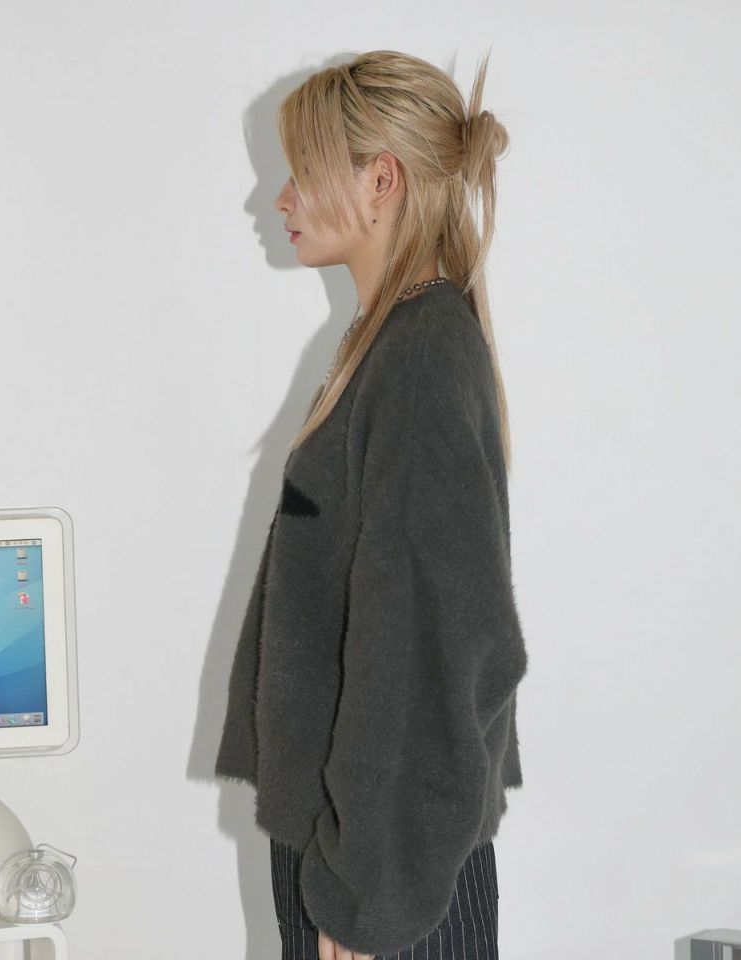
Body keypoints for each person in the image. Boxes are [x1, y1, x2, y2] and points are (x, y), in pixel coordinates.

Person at [215, 48, 529, 960]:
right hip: (356, 848)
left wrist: (367, 892)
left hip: (382, 873)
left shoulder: (419, 356)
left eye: (300, 173)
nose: (277, 199)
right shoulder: (391, 343)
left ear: (380, 179)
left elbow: (431, 644)